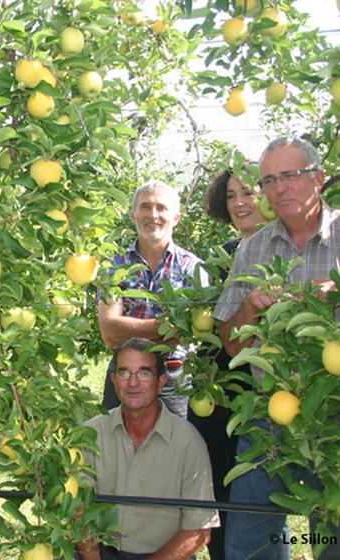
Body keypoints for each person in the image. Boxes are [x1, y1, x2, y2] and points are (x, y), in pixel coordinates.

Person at [213, 137, 340, 560]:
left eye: (291, 176)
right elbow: (232, 344)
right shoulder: (252, 249)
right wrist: (249, 307)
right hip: (269, 420)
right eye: (270, 180)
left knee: (333, 541)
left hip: (335, 418)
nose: (280, 188)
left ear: (318, 179)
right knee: (250, 545)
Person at [77, 337, 219, 560]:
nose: (133, 383)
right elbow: (78, 513)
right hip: (100, 553)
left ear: (161, 381)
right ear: (113, 380)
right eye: (124, 373)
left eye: (144, 373)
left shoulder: (188, 442)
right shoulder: (90, 435)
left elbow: (198, 531)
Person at [192, 166, 268, 560]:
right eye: (231, 196)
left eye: (248, 192)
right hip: (220, 393)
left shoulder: (286, 254)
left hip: (268, 393)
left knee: (263, 501)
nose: (240, 203)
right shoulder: (221, 258)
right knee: (221, 493)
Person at [98, 180, 205, 418]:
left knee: (175, 450)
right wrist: (166, 327)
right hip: (124, 376)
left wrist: (130, 330)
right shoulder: (114, 265)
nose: (153, 215)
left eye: (161, 208)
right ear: (133, 215)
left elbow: (193, 331)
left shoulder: (194, 269)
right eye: (145, 207)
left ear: (176, 217)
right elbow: (109, 331)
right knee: (118, 449)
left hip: (174, 380)